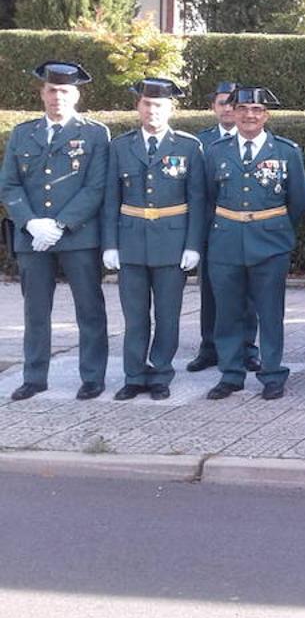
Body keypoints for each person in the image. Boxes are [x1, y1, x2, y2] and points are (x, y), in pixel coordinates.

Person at [1, 62, 110, 401]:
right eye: (52, 90)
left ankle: (92, 376)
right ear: (42, 93)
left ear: (76, 94)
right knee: (35, 310)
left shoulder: (95, 133)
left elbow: (95, 187)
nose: (57, 97)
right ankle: (34, 376)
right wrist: (31, 222)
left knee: (89, 309)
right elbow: (9, 184)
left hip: (78, 236)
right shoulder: (23, 133)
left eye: (64, 91)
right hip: (33, 237)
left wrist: (60, 224)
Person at [204, 86, 305, 401]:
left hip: (270, 242)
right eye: (243, 109)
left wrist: (273, 226)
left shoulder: (287, 151)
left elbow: (300, 201)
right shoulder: (215, 151)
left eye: (257, 110)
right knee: (227, 312)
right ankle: (231, 373)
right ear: (233, 112)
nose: (250, 115)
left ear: (266, 115)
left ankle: (273, 373)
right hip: (225, 241)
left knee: (270, 311)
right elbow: (207, 198)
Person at [102, 78, 205, 401]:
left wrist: (193, 245)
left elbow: (198, 200)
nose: (152, 111)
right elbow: (109, 198)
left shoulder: (188, 146)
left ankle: (160, 374)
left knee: (167, 315)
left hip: (172, 243)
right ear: (138, 107)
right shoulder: (121, 146)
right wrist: (110, 244)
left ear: (171, 109)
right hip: (131, 241)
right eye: (147, 104)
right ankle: (134, 375)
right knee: (134, 316)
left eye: (159, 105)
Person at [188, 80, 259, 374]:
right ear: (213, 108)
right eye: (222, 103)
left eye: (233, 103)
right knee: (210, 292)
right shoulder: (200, 143)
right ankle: (209, 347)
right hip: (211, 229)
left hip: (247, 230)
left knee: (248, 294)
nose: (228, 109)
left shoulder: (257, 139)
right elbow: (196, 191)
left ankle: (247, 348)